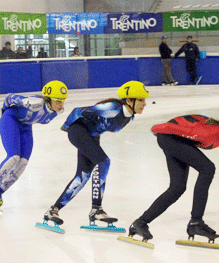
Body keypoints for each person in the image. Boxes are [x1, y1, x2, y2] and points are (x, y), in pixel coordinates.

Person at [128, 108, 219, 242]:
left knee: (177, 188)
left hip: (178, 140)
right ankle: (196, 222)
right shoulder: (208, 132)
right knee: (208, 168)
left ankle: (140, 223)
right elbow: (174, 128)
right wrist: (158, 128)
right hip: (169, 137)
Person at [43, 81, 149, 227]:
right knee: (104, 161)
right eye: (141, 100)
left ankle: (53, 210)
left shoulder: (130, 116)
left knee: (83, 175)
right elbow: (78, 111)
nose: (145, 104)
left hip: (91, 136)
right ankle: (96, 209)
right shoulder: (112, 108)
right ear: (129, 100)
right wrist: (67, 127)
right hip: (79, 131)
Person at [0, 80, 69, 211]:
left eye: (63, 100)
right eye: (58, 101)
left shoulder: (57, 111)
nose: (61, 105)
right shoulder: (33, 103)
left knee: (23, 162)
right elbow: (9, 97)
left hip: (26, 127)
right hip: (10, 120)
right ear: (48, 99)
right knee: (13, 156)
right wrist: (4, 113)